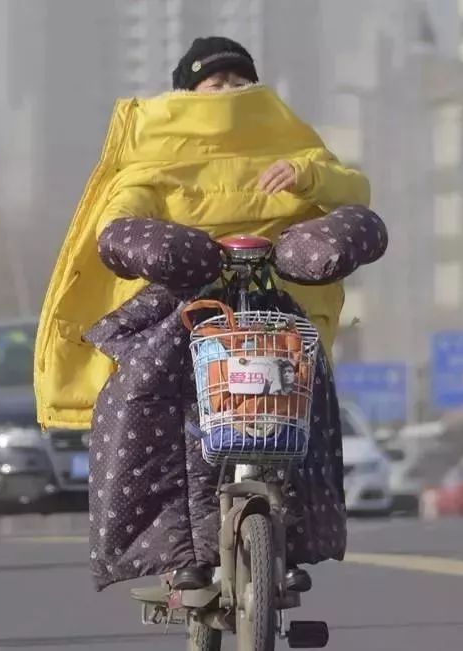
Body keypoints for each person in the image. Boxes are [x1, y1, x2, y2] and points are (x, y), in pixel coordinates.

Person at [35, 36, 372, 593]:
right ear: (188, 95)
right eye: (216, 84)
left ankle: (292, 538)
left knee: (299, 405)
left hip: (272, 302)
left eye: (241, 82)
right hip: (187, 308)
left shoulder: (292, 148)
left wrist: (308, 179)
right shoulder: (155, 159)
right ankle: (179, 552)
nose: (230, 93)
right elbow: (119, 220)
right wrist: (161, 247)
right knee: (147, 401)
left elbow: (355, 193)